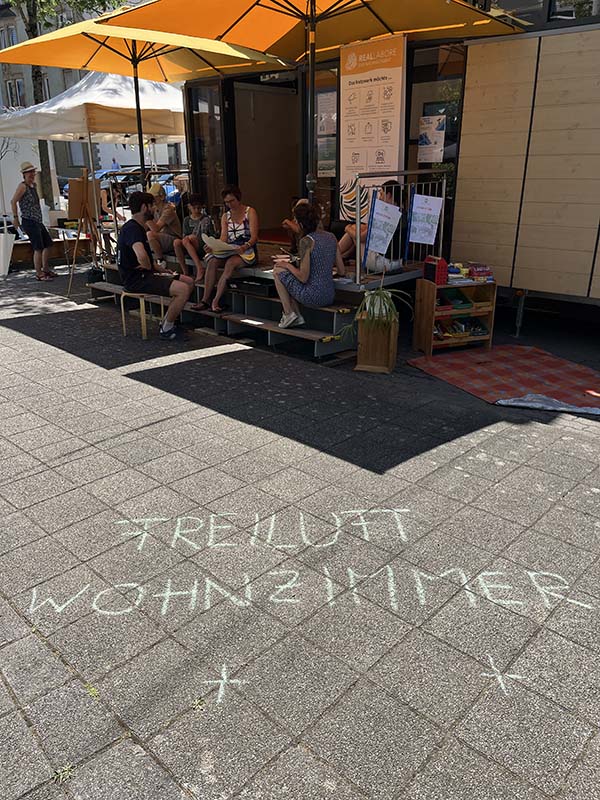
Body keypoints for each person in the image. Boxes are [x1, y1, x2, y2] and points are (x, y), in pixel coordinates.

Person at [117, 191, 194, 340]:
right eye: (152, 206)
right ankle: (167, 329)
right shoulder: (133, 229)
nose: (154, 209)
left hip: (146, 274)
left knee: (188, 281)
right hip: (137, 279)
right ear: (144, 207)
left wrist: (162, 270)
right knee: (183, 289)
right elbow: (141, 255)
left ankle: (167, 321)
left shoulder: (136, 227)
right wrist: (147, 266)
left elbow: (146, 260)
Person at [272, 200, 345, 329]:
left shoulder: (307, 241)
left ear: (300, 224)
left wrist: (286, 265)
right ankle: (296, 316)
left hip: (312, 295)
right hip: (329, 294)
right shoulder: (331, 237)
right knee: (289, 278)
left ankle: (289, 313)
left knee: (278, 271)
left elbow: (303, 277)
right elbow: (342, 270)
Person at [195, 185, 258, 313]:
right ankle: (205, 299)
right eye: (227, 202)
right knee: (212, 261)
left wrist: (244, 246)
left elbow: (254, 237)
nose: (230, 204)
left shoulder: (250, 212)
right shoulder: (225, 216)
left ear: (238, 199)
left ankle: (216, 300)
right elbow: (224, 238)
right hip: (230, 248)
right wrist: (213, 246)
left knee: (230, 263)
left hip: (247, 249)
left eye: (232, 201)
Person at [11, 162, 55, 281]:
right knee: (38, 247)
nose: (32, 174)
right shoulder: (22, 186)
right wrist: (15, 218)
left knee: (48, 244)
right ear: (24, 174)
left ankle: (45, 269)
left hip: (38, 220)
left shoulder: (33, 186)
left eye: (33, 172)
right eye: (29, 172)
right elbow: (13, 201)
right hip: (29, 220)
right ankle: (39, 273)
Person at [338, 180, 402, 263]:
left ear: (388, 195)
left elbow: (360, 238)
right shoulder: (399, 213)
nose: (380, 198)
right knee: (356, 229)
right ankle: (341, 257)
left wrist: (347, 228)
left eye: (381, 194)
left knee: (353, 233)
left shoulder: (384, 215)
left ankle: (332, 255)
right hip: (398, 262)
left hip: (382, 262)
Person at [173, 194, 214, 285]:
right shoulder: (186, 220)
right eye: (194, 208)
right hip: (188, 245)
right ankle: (185, 270)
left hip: (201, 246)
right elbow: (184, 235)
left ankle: (199, 267)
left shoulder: (206, 219)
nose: (196, 210)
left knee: (189, 238)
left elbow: (212, 235)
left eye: (198, 208)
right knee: (176, 242)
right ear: (189, 207)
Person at [145, 183, 182, 266]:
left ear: (161, 197)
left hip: (173, 238)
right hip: (163, 237)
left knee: (150, 234)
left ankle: (161, 260)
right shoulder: (155, 209)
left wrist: (146, 216)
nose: (152, 199)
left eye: (154, 197)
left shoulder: (168, 210)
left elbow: (156, 228)